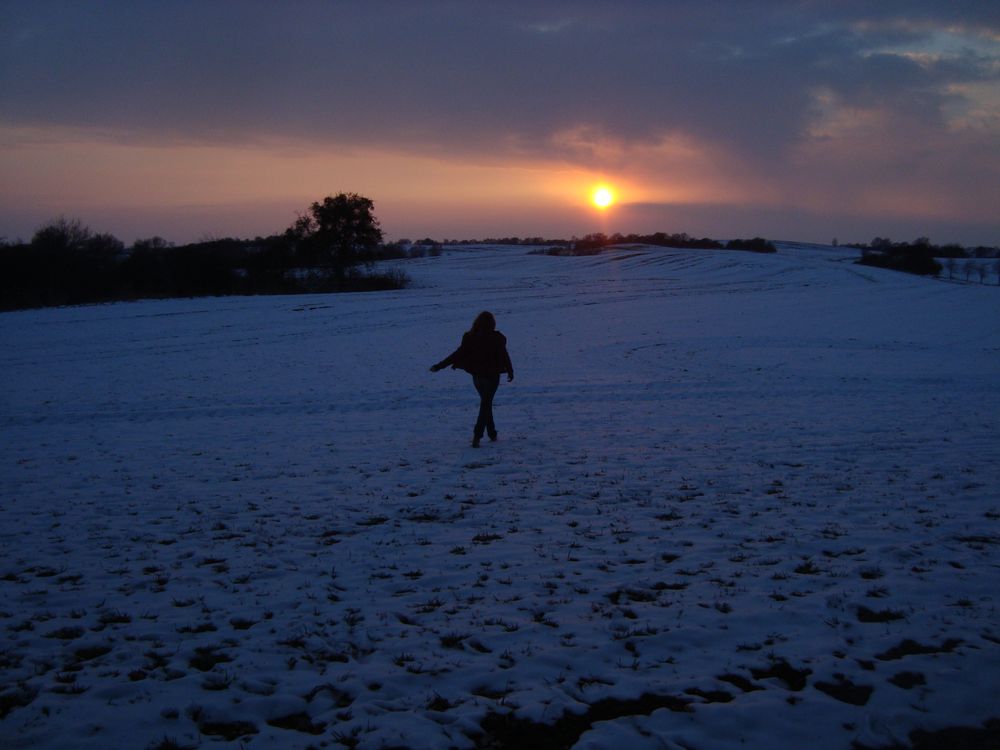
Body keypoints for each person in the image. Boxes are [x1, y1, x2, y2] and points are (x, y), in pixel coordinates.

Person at [430, 311, 514, 447]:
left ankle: (492, 433)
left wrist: (440, 366)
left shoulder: (470, 337)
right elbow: (504, 355)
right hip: (492, 377)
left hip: (477, 377)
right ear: (492, 324)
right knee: (486, 404)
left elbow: (457, 354)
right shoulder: (497, 338)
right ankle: (477, 435)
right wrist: (510, 370)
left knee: (486, 403)